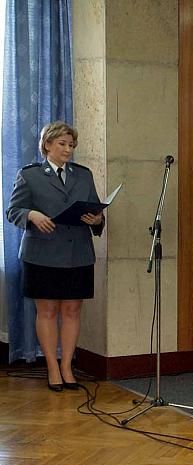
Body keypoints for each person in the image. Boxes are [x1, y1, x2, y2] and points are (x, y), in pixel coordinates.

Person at [6, 121, 104, 391]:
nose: (68, 149)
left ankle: (66, 366)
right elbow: (13, 211)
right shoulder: (30, 175)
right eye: (62, 144)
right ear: (47, 145)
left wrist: (96, 218)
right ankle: (52, 368)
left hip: (78, 253)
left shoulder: (83, 175)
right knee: (47, 311)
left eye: (71, 145)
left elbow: (96, 212)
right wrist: (31, 215)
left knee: (72, 311)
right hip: (42, 253)